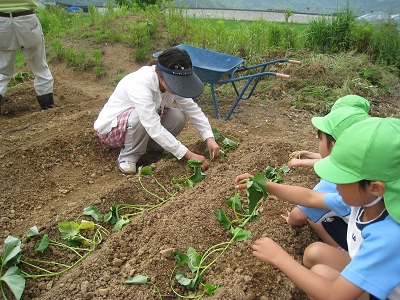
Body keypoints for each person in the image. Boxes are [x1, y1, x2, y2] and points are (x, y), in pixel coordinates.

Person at [245, 117, 400, 299]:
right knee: (314, 254)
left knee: (321, 281)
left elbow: (334, 295)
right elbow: (309, 197)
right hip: (377, 278)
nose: (335, 185)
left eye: (342, 179)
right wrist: (265, 185)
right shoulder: (367, 201)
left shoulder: (389, 236)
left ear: (375, 187)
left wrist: (278, 256)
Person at [94, 46, 220, 174]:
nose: (180, 85)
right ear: (161, 77)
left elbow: (191, 108)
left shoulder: (169, 81)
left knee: (177, 116)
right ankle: (129, 156)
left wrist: (209, 137)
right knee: (140, 116)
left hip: (140, 127)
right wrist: (188, 154)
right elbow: (152, 125)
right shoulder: (140, 83)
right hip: (112, 130)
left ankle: (154, 148)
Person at [283, 95, 371, 250]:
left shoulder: (339, 184)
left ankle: (342, 252)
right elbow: (330, 158)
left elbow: (300, 213)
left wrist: (290, 219)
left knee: (314, 219)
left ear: (335, 144)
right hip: (366, 227)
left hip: (361, 244)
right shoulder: (365, 161)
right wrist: (306, 158)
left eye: (320, 138)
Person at [0, 0, 54, 114]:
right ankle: (48, 110)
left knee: (2, 71)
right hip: (26, 19)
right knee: (40, 68)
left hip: (2, 21)